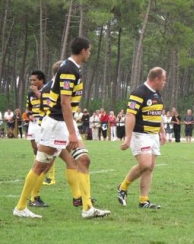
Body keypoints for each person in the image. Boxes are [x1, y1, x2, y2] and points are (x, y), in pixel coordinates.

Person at [13, 37, 110, 218]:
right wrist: (72, 133)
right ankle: (20, 207)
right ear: (83, 51)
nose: (90, 53)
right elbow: (65, 103)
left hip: (64, 123)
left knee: (84, 160)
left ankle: (87, 208)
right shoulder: (68, 69)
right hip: (57, 124)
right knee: (40, 166)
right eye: (89, 50)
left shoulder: (72, 68)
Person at [117, 67, 167, 209]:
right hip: (141, 134)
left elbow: (158, 114)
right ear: (156, 79)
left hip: (153, 135)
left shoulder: (157, 94)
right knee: (145, 164)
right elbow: (130, 115)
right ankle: (123, 186)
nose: (165, 82)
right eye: (163, 79)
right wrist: (128, 137)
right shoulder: (139, 93)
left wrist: (162, 132)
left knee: (150, 167)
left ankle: (144, 200)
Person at [26, 70, 46, 155]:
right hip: (33, 123)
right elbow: (28, 109)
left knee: (44, 148)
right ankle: (38, 166)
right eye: (31, 80)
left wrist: (37, 92)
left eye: (34, 80)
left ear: (41, 81)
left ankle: (45, 167)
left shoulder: (47, 91)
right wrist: (29, 115)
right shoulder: (30, 94)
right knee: (35, 148)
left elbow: (48, 103)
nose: (32, 82)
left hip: (44, 121)